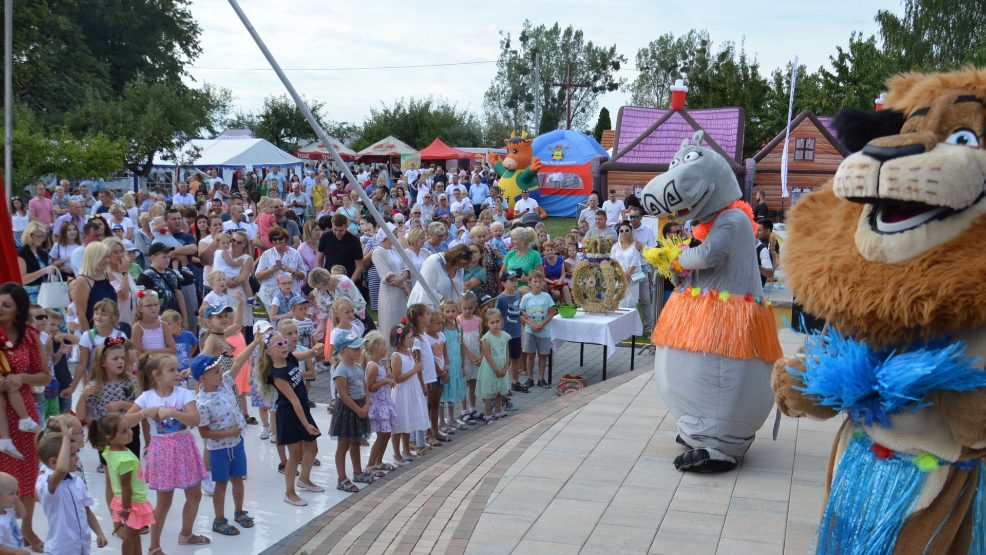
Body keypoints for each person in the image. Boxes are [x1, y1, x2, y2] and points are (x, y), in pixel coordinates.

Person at [129, 353, 210, 550]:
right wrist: (144, 413)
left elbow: (195, 420)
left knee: (194, 494)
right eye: (171, 370)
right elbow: (124, 421)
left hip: (184, 447)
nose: (177, 373)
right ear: (156, 375)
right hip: (162, 450)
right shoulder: (146, 397)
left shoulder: (183, 394)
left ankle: (186, 534)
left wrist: (174, 413)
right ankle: (154, 547)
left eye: (177, 369)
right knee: (164, 501)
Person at [190, 341, 261, 537]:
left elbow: (239, 362)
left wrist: (254, 341)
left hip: (236, 444)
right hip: (219, 449)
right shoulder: (202, 403)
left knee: (238, 479)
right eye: (215, 371)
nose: (220, 372)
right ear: (203, 378)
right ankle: (219, 519)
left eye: (219, 369)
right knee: (221, 483)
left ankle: (239, 512)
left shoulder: (226, 383)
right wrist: (227, 433)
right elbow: (204, 433)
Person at [0, 283, 50, 552]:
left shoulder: (30, 335)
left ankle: (27, 526)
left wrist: (21, 378)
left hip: (23, 414)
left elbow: (45, 375)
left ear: (19, 309)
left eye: (6, 305)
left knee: (27, 473)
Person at [256, 330, 322, 506]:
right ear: (269, 352)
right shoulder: (276, 375)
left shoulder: (291, 358)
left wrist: (316, 349)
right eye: (279, 344)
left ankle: (305, 480)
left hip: (302, 410)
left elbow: (309, 353)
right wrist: (306, 424)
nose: (284, 345)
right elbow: (293, 400)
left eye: (284, 342)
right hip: (289, 414)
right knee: (294, 454)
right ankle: (289, 492)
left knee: (312, 448)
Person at [88, 413, 153, 555]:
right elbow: (126, 486)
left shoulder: (109, 451)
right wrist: (127, 508)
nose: (130, 432)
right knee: (131, 537)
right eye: (124, 431)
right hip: (132, 503)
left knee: (135, 536)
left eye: (129, 428)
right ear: (110, 438)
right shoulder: (125, 459)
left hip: (122, 500)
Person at [330, 330, 375, 492]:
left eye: (359, 348)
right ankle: (341, 478)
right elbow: (342, 395)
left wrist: (366, 405)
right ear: (343, 351)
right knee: (343, 445)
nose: (359, 351)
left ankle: (358, 472)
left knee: (356, 442)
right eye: (355, 348)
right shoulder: (341, 370)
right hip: (347, 411)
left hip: (360, 408)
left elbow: (366, 388)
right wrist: (358, 409)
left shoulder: (357, 367)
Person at [388, 321, 428, 465]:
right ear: (400, 339)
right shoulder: (396, 356)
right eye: (409, 337)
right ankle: (397, 453)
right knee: (399, 423)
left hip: (411, 391)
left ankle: (406, 450)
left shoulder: (410, 353)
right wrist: (414, 370)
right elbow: (397, 378)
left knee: (408, 421)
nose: (412, 340)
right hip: (402, 393)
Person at [362, 332, 397, 474]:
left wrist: (388, 374)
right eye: (383, 346)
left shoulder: (380, 364)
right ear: (376, 348)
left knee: (387, 434)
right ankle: (370, 465)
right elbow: (369, 387)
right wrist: (384, 381)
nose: (386, 348)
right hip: (378, 405)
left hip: (385, 403)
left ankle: (379, 461)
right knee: (382, 435)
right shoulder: (373, 366)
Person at [372, 225, 411, 341]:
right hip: (390, 293)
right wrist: (404, 286)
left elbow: (406, 266)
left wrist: (402, 278)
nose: (395, 237)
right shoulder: (378, 252)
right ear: (386, 236)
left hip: (402, 293)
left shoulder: (396, 249)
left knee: (404, 320)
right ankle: (390, 353)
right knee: (391, 322)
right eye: (393, 235)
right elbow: (388, 277)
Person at [519, 270, 556, 389]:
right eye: (535, 281)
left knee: (543, 356)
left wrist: (543, 324)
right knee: (530, 355)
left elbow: (552, 312)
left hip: (544, 331)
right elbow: (521, 313)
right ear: (530, 282)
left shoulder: (547, 296)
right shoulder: (526, 297)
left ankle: (541, 378)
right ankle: (530, 378)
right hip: (530, 331)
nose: (538, 284)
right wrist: (530, 324)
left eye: (540, 282)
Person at [254, 227, 307, 310]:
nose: (278, 241)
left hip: (291, 295)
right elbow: (257, 276)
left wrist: (291, 271)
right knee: (274, 322)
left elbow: (303, 275)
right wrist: (270, 270)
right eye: (275, 239)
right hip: (270, 296)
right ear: (271, 241)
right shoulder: (266, 254)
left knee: (290, 322)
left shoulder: (295, 253)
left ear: (285, 239)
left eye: (280, 238)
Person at [476, 308, 510, 424]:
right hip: (491, 368)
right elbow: (487, 355)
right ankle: (488, 415)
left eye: (497, 321)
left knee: (498, 392)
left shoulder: (505, 336)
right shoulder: (487, 338)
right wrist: (496, 369)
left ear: (501, 321)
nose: (495, 324)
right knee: (489, 393)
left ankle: (498, 412)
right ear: (487, 324)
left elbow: (507, 352)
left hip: (502, 367)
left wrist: (505, 367)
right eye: (492, 322)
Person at [495, 270, 525, 396]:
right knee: (505, 361)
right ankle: (504, 385)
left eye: (516, 280)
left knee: (516, 357)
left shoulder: (518, 295)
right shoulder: (501, 298)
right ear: (503, 283)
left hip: (516, 332)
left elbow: (518, 310)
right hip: (505, 334)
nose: (514, 283)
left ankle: (515, 381)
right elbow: (496, 315)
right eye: (511, 281)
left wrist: (522, 314)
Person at [439, 300, 466, 432]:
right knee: (443, 392)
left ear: (457, 311)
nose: (450, 314)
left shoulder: (458, 326)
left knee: (452, 391)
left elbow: (460, 344)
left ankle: (451, 418)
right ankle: (441, 420)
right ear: (442, 312)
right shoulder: (441, 328)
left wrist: (463, 363)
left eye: (453, 311)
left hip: (456, 363)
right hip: (446, 363)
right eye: (447, 311)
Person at [17, 222, 59, 304]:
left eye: (43, 236)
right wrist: (44, 271)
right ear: (30, 235)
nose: (41, 239)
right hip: (31, 295)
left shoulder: (42, 252)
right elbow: (23, 279)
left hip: (45, 292)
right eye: (38, 236)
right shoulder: (22, 253)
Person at [316, 214, 363, 281]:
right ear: (332, 225)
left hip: (348, 278)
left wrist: (350, 283)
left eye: (341, 230)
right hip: (329, 278)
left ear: (346, 227)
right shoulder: (325, 237)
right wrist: (321, 278)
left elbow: (359, 266)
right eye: (335, 230)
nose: (337, 233)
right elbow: (319, 260)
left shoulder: (354, 241)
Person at [132, 290, 176, 358]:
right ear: (140, 308)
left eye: (156, 304)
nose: (154, 308)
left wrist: (149, 351)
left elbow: (173, 350)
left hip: (163, 363)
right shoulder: (137, 327)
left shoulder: (163, 325)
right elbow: (137, 354)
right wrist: (163, 351)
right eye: (149, 305)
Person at [611, 221, 645, 309]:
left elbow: (634, 263)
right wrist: (619, 276)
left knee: (630, 304)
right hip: (618, 278)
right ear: (619, 233)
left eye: (626, 230)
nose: (624, 232)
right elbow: (612, 262)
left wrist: (625, 277)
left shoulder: (635, 245)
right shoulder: (615, 246)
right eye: (621, 231)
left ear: (631, 232)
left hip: (631, 280)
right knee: (617, 302)